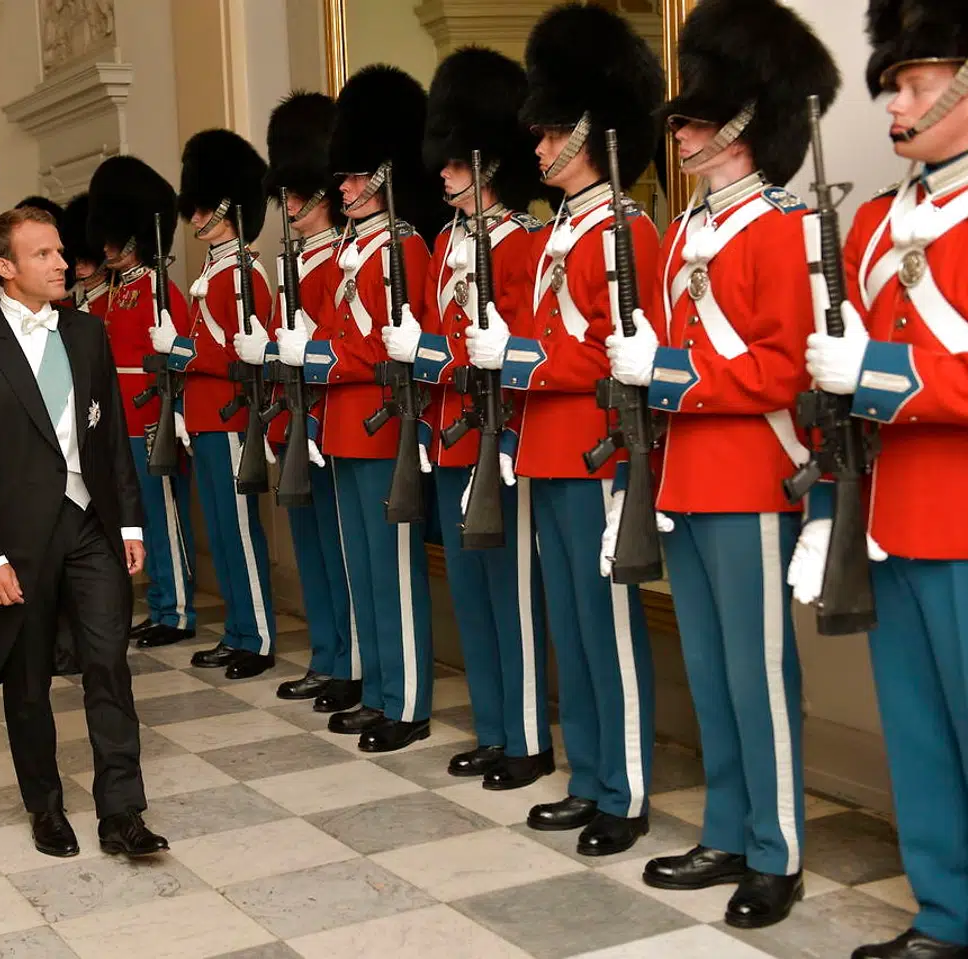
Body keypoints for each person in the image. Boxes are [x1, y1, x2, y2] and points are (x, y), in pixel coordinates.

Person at [606, 0, 839, 928]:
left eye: (700, 119)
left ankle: (776, 847)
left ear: (743, 126)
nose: (686, 132)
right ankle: (727, 826)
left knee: (758, 671)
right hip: (686, 475)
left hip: (749, 471)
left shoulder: (779, 228)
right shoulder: (690, 232)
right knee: (708, 667)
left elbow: (782, 367)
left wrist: (668, 373)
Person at [794, 2, 968, 956]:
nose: (895, 104)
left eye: (916, 85)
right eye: (891, 86)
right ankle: (948, 914)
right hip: (885, 513)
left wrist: (879, 374)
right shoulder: (880, 219)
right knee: (921, 734)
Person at [466, 2, 663, 855]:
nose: (537, 150)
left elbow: (607, 356)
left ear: (590, 135)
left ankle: (625, 788)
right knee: (573, 627)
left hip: (595, 451)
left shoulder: (626, 229)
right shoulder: (560, 235)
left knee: (610, 629)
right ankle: (588, 776)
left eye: (550, 136)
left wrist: (517, 358)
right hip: (545, 451)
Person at [0, 204, 167, 859]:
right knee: (28, 679)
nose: (62, 262)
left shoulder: (88, 334)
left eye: (60, 251)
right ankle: (45, 806)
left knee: (108, 665)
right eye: (43, 254)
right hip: (17, 540)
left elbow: (113, 436)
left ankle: (122, 810)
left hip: (90, 522)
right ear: (5, 268)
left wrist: (127, 519)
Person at [381, 46, 554, 788]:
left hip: (496, 438)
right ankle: (493, 726)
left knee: (513, 595)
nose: (442, 171)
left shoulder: (521, 239)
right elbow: (428, 325)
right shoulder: (448, 240)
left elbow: (516, 345)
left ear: (486, 161)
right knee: (472, 592)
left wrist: (442, 354)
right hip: (450, 439)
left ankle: (526, 735)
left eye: (455, 161)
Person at [279, 64, 442, 752]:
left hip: (380, 428)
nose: (342, 187)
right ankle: (377, 688)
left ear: (381, 175)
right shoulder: (355, 249)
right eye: (340, 178)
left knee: (393, 571)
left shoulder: (404, 246)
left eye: (352, 178)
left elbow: (386, 350)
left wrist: (316, 358)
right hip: (344, 429)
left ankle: (405, 699)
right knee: (363, 569)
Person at [153, 129, 278, 680]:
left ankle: (259, 637)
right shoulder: (214, 270)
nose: (196, 216)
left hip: (229, 419)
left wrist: (177, 349)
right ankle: (237, 630)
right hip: (204, 419)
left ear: (227, 208)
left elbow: (236, 353)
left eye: (204, 207)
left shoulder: (245, 272)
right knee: (221, 534)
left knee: (240, 531)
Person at [249, 91, 360, 712]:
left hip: (328, 417)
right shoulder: (293, 260)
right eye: (285, 195)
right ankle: (327, 653)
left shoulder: (342, 259)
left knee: (342, 553)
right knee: (311, 547)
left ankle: (351, 660)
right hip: (295, 421)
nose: (290, 208)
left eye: (299, 194)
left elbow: (340, 344)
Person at [88, 156, 197, 649]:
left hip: (151, 419)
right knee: (136, 518)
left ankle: (177, 610)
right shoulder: (115, 292)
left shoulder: (158, 288)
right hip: (120, 420)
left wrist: (175, 415)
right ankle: (159, 603)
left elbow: (180, 358)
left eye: (117, 236)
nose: (108, 247)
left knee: (163, 516)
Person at [57, 193, 111, 316]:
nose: (78, 266)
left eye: (84, 259)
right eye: (75, 260)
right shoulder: (69, 299)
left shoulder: (114, 299)